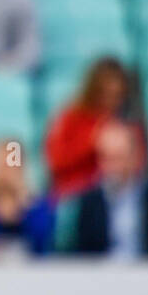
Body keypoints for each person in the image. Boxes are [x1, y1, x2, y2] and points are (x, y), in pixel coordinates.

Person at [62, 121, 148, 257]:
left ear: (134, 157)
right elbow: (79, 255)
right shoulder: (88, 204)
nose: (111, 166)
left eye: (118, 157)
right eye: (105, 157)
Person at [44, 57, 139, 200]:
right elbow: (55, 160)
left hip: (114, 198)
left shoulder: (126, 126)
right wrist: (92, 140)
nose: (111, 101)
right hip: (74, 196)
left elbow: (137, 168)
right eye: (105, 94)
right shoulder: (72, 117)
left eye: (117, 96)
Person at [0, 137, 56, 258]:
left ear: (21, 169)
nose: (3, 173)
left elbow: (42, 244)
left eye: (9, 166)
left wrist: (23, 207)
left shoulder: (38, 209)